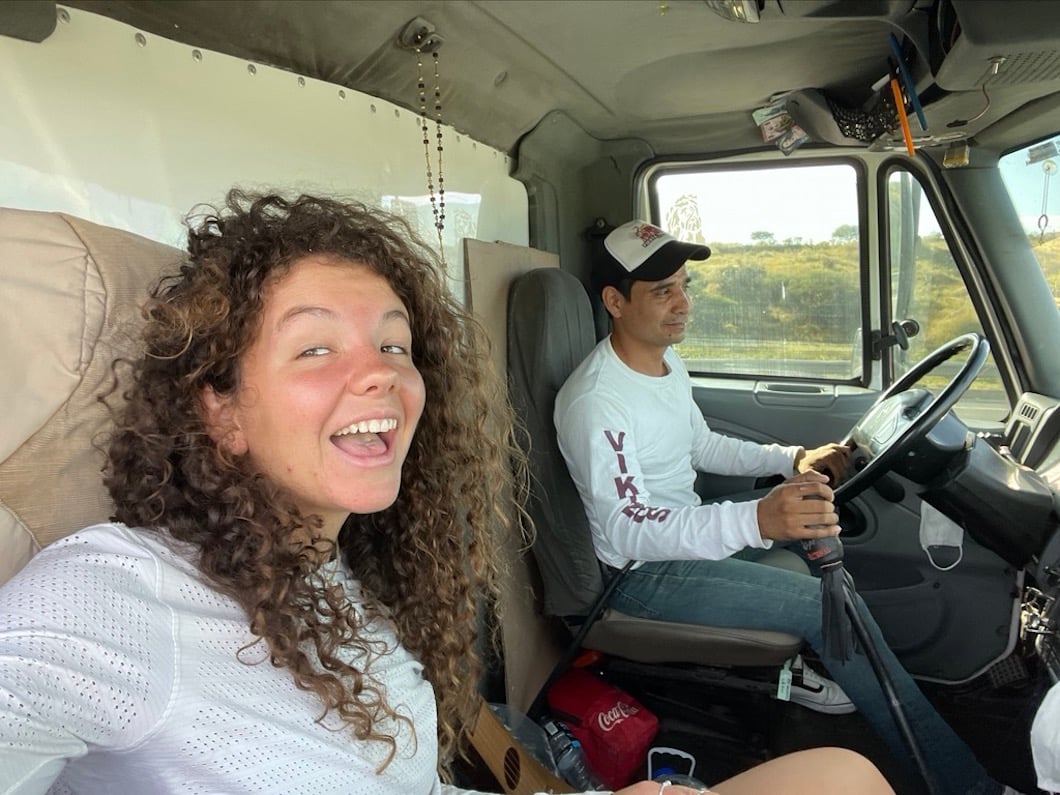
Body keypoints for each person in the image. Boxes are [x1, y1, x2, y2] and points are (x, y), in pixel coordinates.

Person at [0, 191, 894, 795]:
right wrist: (753, 515)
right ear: (221, 410)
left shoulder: (343, 572)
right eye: (315, 348)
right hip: (641, 573)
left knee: (843, 779)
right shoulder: (113, 595)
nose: (380, 376)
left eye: (395, 345)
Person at [554, 219, 1012, 795]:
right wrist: (756, 518)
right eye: (661, 291)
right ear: (615, 302)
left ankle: (840, 670)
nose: (683, 303)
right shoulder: (597, 402)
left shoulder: (664, 366)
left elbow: (701, 445)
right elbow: (626, 531)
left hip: (676, 540)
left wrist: (793, 458)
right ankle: (967, 785)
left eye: (683, 284)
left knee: (814, 506)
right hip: (641, 576)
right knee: (824, 602)